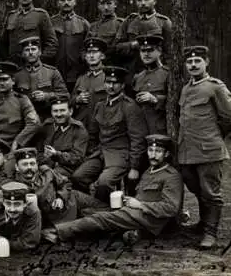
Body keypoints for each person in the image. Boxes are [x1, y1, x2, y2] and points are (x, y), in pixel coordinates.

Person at [42, 134, 183, 246]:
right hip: (132, 212)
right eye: (150, 150)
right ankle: (125, 232)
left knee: (101, 218)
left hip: (146, 219)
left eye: (158, 151)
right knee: (85, 206)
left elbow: (171, 207)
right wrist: (128, 200)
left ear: (166, 154)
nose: (153, 155)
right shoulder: (149, 170)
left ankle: (56, 231)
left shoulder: (171, 176)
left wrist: (140, 205)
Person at [178, 46, 231, 249]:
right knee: (196, 188)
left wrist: (214, 137)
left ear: (207, 63)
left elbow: (230, 118)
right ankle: (203, 223)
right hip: (187, 151)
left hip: (209, 150)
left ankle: (210, 234)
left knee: (211, 192)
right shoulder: (186, 88)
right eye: (189, 62)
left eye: (198, 61)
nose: (193, 65)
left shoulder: (215, 87)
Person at [72, 66, 148, 202]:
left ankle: (105, 210)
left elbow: (138, 139)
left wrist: (135, 167)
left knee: (104, 182)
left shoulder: (129, 106)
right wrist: (91, 153)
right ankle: (89, 205)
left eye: (115, 83)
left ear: (122, 85)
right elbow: (93, 134)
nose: (110, 86)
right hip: (101, 153)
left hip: (120, 154)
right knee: (79, 176)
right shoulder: (100, 106)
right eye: (108, 82)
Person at [13, 148, 107, 231]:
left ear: (37, 165)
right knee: (95, 219)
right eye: (25, 164)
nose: (29, 167)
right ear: (17, 167)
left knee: (106, 210)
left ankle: (86, 215)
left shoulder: (46, 172)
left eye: (32, 163)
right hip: (60, 219)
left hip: (73, 199)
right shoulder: (15, 187)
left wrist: (60, 197)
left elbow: (66, 183)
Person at [0, 0, 58, 65]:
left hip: (34, 66)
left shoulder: (41, 15)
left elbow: (52, 43)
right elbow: (3, 44)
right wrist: (7, 62)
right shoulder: (11, 16)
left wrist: (40, 61)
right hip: (14, 66)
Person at [115, 0, 172, 75]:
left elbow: (169, 51)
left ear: (154, 1)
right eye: (139, 0)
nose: (143, 3)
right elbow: (117, 47)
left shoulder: (163, 22)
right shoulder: (129, 21)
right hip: (131, 71)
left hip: (156, 71)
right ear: (136, 2)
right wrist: (132, 45)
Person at [14, 36, 69, 121]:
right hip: (25, 119)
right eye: (27, 50)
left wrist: (46, 96)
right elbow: (12, 99)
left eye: (33, 49)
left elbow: (65, 96)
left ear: (39, 52)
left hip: (48, 118)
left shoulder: (52, 72)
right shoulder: (17, 75)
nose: (31, 53)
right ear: (22, 54)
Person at [35, 95, 88, 179]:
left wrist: (56, 154)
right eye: (55, 111)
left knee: (48, 177)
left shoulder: (78, 129)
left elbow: (77, 158)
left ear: (70, 111)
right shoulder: (47, 125)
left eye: (62, 110)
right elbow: (39, 150)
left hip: (66, 168)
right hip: (46, 164)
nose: (58, 114)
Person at [51, 0, 91, 92]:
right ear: (57, 3)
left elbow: (88, 48)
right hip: (55, 73)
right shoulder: (51, 23)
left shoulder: (83, 23)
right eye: (62, 0)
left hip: (77, 73)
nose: (66, 3)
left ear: (75, 2)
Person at [133, 34, 169, 135]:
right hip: (140, 129)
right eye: (143, 51)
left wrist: (155, 99)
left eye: (150, 50)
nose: (146, 54)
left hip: (160, 128)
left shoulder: (168, 74)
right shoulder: (138, 77)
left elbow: (177, 102)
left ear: (159, 51)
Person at [71, 37, 108, 127]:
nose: (91, 56)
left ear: (102, 56)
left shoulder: (108, 77)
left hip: (102, 126)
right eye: (89, 52)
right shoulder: (81, 79)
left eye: (95, 52)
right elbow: (70, 100)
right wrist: (77, 99)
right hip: (82, 126)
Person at [88, 0, 124, 65]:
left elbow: (118, 48)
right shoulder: (92, 26)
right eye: (102, 4)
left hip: (112, 66)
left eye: (109, 3)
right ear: (98, 6)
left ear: (115, 4)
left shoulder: (121, 24)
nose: (106, 7)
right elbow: (85, 47)